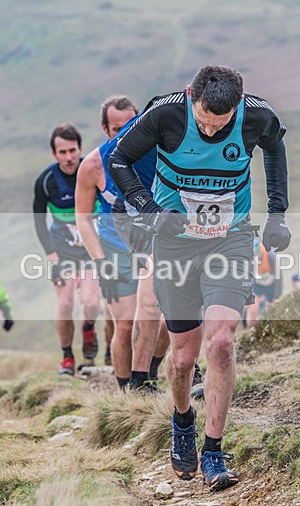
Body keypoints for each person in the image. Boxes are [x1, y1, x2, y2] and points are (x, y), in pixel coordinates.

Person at [108, 65, 290, 490]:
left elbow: (275, 149)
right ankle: (183, 420)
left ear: (237, 108)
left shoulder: (256, 116)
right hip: (175, 246)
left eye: (219, 125)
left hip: (231, 241)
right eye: (204, 120)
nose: (209, 131)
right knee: (184, 358)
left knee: (222, 343)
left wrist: (278, 212)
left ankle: (213, 451)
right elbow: (120, 159)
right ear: (192, 96)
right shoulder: (165, 114)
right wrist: (150, 209)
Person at [75, 94, 168, 392]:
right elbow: (83, 219)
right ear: (105, 129)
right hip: (115, 247)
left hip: (153, 245)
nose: (125, 133)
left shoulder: (157, 153)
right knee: (125, 325)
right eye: (117, 129)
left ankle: (149, 372)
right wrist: (101, 263)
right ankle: (126, 390)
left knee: (162, 320)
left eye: (131, 125)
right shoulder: (92, 165)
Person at [33, 124, 102, 376]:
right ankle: (67, 358)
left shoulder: (94, 170)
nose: (69, 157)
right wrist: (51, 257)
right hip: (62, 251)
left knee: (92, 302)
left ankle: (89, 328)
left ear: (80, 149)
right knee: (64, 304)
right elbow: (39, 220)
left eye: (73, 150)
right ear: (54, 154)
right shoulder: (46, 181)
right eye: (62, 152)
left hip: (90, 250)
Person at [245, 237, 281, 327]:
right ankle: (249, 330)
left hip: (271, 285)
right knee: (253, 308)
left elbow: (279, 277)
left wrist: (276, 295)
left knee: (271, 309)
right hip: (257, 284)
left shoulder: (271, 256)